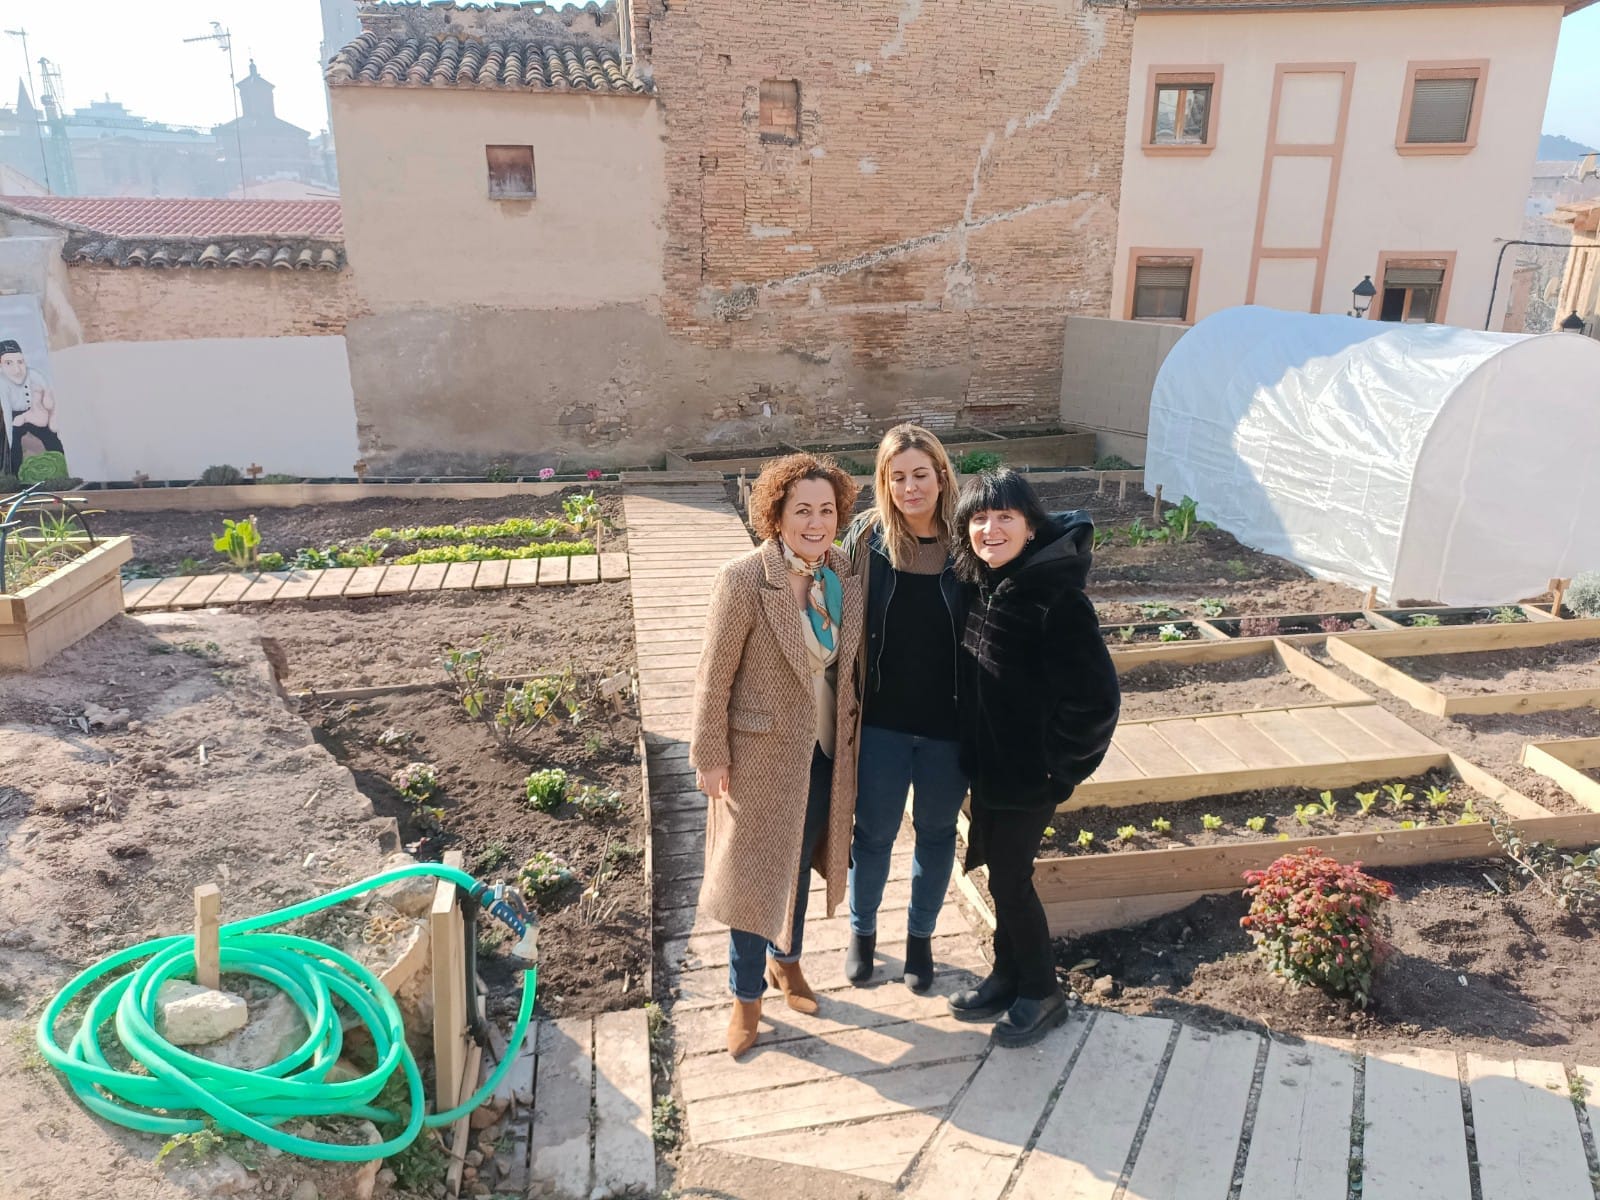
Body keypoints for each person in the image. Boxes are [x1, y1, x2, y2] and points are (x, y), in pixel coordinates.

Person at [690, 453, 865, 1058]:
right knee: (752, 877)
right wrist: (710, 754)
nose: (816, 523)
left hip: (825, 753)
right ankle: (746, 998)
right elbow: (713, 676)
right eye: (802, 511)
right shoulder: (744, 578)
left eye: (827, 510)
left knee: (796, 865)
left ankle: (786, 961)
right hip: (756, 757)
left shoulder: (841, 573)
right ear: (777, 515)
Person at [948, 469, 1120, 1047]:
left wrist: (1057, 770)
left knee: (1012, 879)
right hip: (992, 769)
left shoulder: (1057, 600)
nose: (990, 529)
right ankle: (1008, 976)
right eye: (979, 518)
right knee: (1000, 875)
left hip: (1029, 777)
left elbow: (1097, 701)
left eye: (1005, 517)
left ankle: (1043, 992)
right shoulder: (989, 583)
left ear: (1030, 527)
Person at [839, 424, 966, 992]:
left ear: (941, 476)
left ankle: (920, 939)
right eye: (897, 478)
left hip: (948, 728)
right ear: (884, 483)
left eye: (920, 475)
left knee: (937, 835)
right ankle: (862, 933)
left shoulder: (969, 541)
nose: (910, 488)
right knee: (873, 835)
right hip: (882, 723)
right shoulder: (868, 539)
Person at [0, 339, 64, 477]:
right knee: (13, 446)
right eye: (9, 363)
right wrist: (11, 440)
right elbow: (6, 412)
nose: (17, 370)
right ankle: (14, 476)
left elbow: (49, 399)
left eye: (20, 362)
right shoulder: (2, 383)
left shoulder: (34, 374)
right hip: (13, 416)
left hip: (35, 413)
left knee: (52, 439)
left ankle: (62, 466)